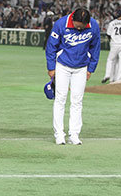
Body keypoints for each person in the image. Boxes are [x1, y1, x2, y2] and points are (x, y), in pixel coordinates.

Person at [46, 8, 100, 145]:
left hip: (82, 67)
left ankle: (74, 134)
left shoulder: (93, 26)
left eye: (82, 27)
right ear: (73, 19)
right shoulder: (61, 24)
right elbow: (51, 46)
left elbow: (95, 47)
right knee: (60, 98)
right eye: (77, 25)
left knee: (77, 100)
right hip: (62, 66)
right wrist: (51, 67)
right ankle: (59, 134)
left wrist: (91, 69)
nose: (79, 28)